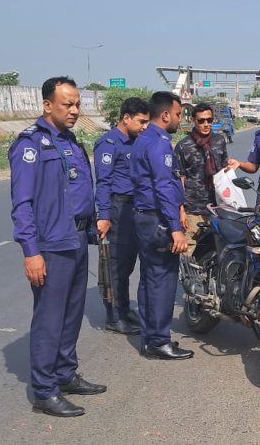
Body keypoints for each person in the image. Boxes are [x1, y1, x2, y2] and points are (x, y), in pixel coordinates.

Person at [10, 76, 106, 417]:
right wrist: (31, 252)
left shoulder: (70, 141)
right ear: (48, 105)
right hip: (51, 244)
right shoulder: (31, 145)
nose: (75, 110)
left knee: (72, 314)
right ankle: (44, 390)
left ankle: (65, 374)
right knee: (50, 318)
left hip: (76, 238)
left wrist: (94, 223)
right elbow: (22, 204)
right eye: (68, 104)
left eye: (78, 104)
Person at [130, 91, 194, 360]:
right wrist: (175, 228)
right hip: (157, 219)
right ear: (166, 114)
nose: (180, 119)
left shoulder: (142, 139)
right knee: (163, 280)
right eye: (179, 114)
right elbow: (164, 186)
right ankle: (159, 341)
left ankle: (150, 338)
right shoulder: (159, 143)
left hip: (144, 217)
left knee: (149, 279)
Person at [93, 97, 150, 335]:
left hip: (134, 207)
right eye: (141, 121)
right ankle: (114, 316)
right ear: (126, 118)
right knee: (115, 264)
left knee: (127, 264)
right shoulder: (109, 143)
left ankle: (124, 309)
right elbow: (103, 182)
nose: (145, 126)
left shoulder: (136, 142)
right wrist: (104, 216)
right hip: (118, 207)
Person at [174, 102, 229, 255]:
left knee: (215, 253)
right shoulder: (183, 146)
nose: (206, 124)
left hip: (215, 209)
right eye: (201, 120)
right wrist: (181, 211)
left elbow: (224, 172)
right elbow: (179, 180)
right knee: (187, 253)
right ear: (193, 121)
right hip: (192, 210)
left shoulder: (219, 141)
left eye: (209, 120)